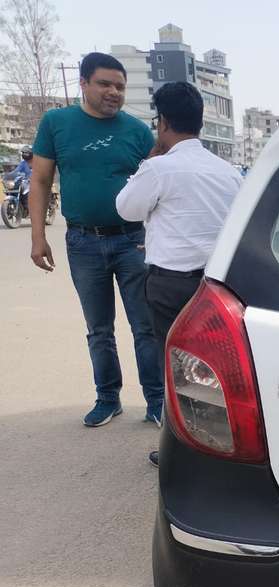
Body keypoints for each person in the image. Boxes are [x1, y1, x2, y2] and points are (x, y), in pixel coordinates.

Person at [29, 52, 163, 428]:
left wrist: (155, 239)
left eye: (120, 86)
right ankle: (108, 398)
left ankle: (156, 401)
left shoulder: (137, 131)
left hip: (133, 241)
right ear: (83, 83)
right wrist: (38, 237)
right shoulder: (57, 123)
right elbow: (39, 181)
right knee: (99, 328)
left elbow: (158, 188)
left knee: (145, 327)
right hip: (84, 243)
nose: (113, 92)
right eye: (105, 83)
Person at [116, 81, 242, 467]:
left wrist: (152, 159)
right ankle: (220, 447)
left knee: (175, 370)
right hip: (218, 285)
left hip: (170, 286)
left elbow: (126, 209)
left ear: (163, 121)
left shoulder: (159, 168)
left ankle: (181, 454)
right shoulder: (229, 172)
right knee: (217, 370)